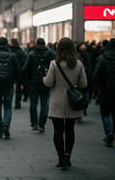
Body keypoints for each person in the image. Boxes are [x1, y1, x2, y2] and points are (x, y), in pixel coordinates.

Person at [43, 37, 87, 170]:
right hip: (73, 101)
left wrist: (44, 78)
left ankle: (61, 158)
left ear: (59, 48)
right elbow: (83, 84)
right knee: (70, 129)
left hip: (57, 100)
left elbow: (48, 83)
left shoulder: (54, 64)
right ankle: (68, 156)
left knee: (58, 130)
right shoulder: (79, 64)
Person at [0, 37, 21, 139]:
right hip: (9, 83)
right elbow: (18, 70)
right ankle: (6, 124)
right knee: (8, 105)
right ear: (7, 44)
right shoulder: (12, 55)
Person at [22, 38, 55, 132]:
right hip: (46, 81)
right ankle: (42, 125)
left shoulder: (32, 54)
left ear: (36, 44)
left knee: (33, 103)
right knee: (44, 104)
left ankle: (34, 124)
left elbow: (25, 68)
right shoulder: (51, 54)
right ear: (45, 44)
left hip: (34, 82)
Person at [92, 38, 115, 147]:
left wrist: (99, 86)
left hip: (105, 90)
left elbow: (95, 76)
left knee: (105, 113)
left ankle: (109, 131)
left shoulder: (102, 58)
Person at [9, 38, 27, 109]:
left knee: (9, 88)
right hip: (19, 71)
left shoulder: (9, 51)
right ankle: (17, 103)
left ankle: (7, 101)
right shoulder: (21, 52)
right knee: (18, 88)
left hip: (10, 72)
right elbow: (23, 62)